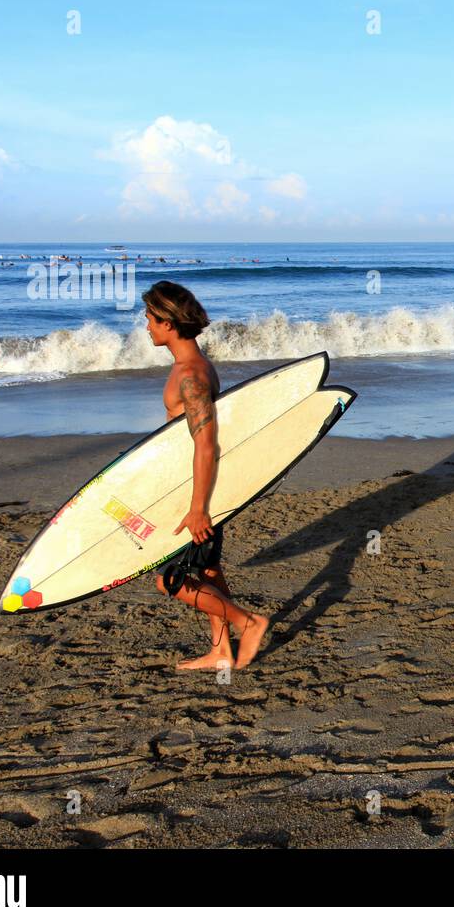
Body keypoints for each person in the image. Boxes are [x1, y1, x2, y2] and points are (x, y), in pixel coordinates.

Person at [142, 281, 270, 669]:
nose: (146, 325)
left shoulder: (192, 375)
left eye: (149, 318)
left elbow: (206, 444)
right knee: (209, 572)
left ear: (167, 322)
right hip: (191, 485)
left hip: (198, 491)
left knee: (172, 581)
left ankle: (249, 622)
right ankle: (220, 650)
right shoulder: (188, 367)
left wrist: (198, 508)